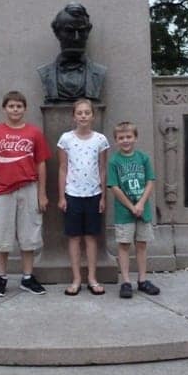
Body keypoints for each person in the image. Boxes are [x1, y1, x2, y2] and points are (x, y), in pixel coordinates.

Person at [0, 91, 51, 297]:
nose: (15, 110)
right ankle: (1, 277)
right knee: (2, 235)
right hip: (3, 189)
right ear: (5, 108)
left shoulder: (34, 133)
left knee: (28, 236)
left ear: (25, 109)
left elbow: (41, 164)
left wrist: (42, 193)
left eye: (19, 106)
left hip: (29, 188)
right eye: (11, 106)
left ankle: (27, 277)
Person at [57, 98, 110, 295]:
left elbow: (102, 168)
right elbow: (63, 168)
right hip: (73, 194)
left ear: (93, 116)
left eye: (87, 112)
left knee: (91, 237)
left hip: (94, 194)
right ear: (74, 116)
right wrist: (62, 196)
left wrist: (103, 196)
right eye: (79, 113)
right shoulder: (66, 139)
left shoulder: (101, 140)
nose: (83, 116)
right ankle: (76, 278)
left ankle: (92, 278)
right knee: (73, 237)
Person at [107, 121, 161, 299]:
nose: (125, 140)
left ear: (135, 138)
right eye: (121, 138)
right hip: (124, 212)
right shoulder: (114, 161)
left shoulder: (143, 158)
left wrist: (140, 204)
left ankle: (143, 279)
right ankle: (126, 281)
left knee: (141, 245)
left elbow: (150, 181)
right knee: (124, 245)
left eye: (129, 137)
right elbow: (114, 187)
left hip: (142, 210)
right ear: (116, 140)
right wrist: (131, 206)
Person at [37, 3, 106, 103]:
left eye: (81, 31)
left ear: (88, 32)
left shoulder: (99, 72)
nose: (76, 38)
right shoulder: (45, 73)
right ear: (56, 32)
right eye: (69, 31)